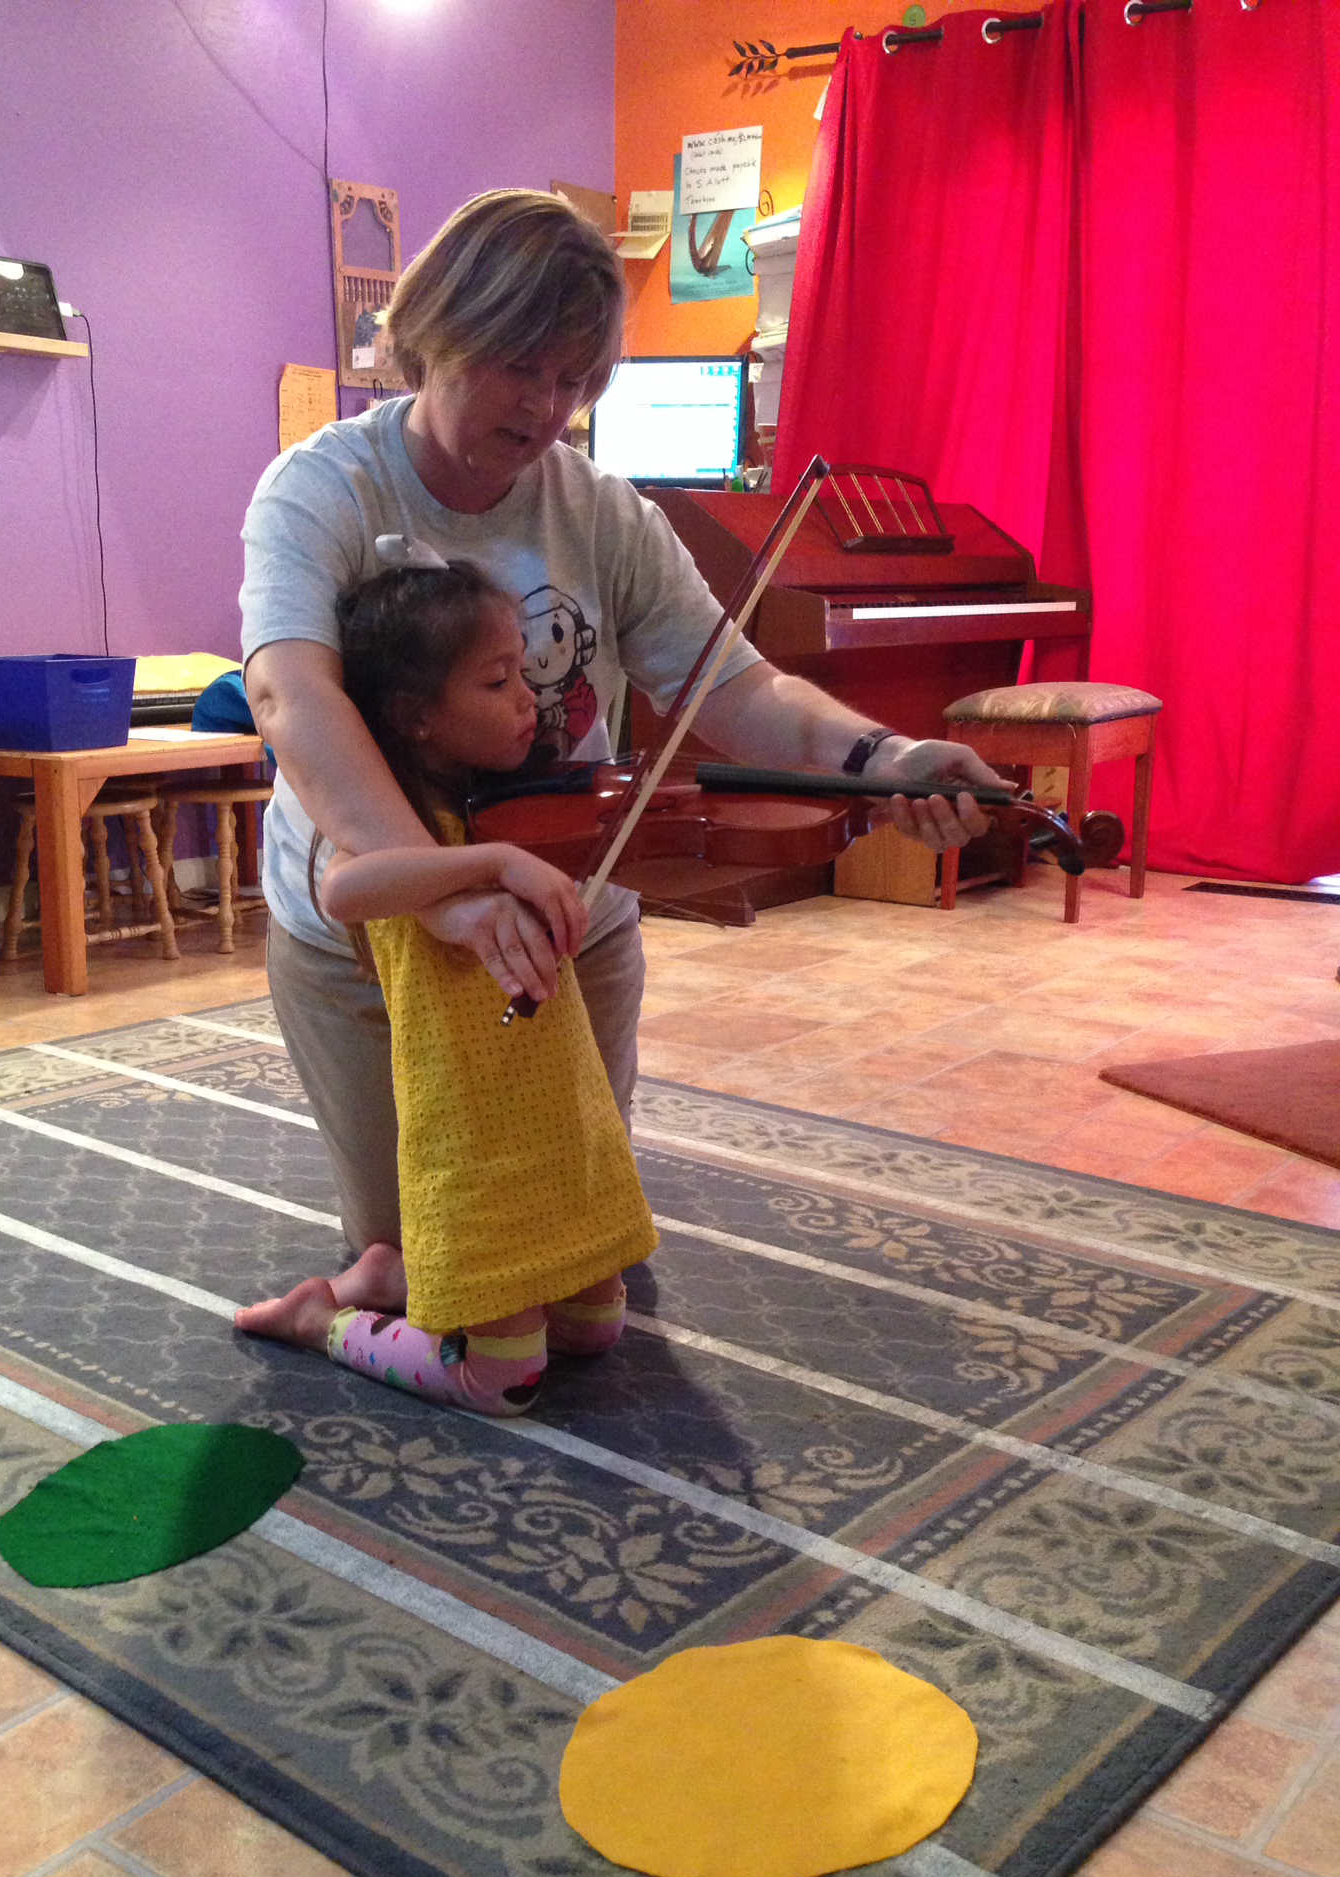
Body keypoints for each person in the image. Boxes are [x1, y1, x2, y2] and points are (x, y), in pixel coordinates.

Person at [234, 187, 1002, 1344]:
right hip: (367, 930)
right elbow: (293, 692)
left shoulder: (604, 512)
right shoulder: (322, 489)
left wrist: (879, 757)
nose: (548, 408)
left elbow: (737, 687)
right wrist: (443, 888)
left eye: (575, 380)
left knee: (565, 1249)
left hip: (563, 912)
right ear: (435, 328)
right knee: (424, 1267)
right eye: (519, 368)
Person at [270, 555, 658, 1415]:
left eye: (524, 670)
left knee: (594, 1330)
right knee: (502, 1381)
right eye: (497, 680)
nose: (531, 698)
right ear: (416, 720)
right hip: (472, 1136)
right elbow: (342, 892)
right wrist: (490, 862)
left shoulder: (528, 801)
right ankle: (318, 1323)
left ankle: (387, 1269)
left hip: (560, 1113)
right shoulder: (389, 837)